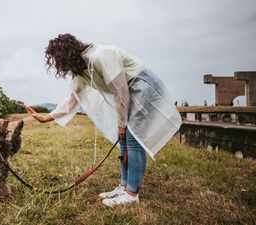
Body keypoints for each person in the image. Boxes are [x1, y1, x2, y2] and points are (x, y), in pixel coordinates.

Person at [26, 33, 181, 206]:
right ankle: (124, 186)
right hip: (127, 92)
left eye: (57, 59)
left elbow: (120, 91)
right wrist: (45, 117)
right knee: (123, 140)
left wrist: (122, 124)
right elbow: (72, 100)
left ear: (66, 53)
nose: (58, 65)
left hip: (143, 86)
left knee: (133, 138)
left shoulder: (101, 56)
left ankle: (131, 194)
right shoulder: (81, 70)